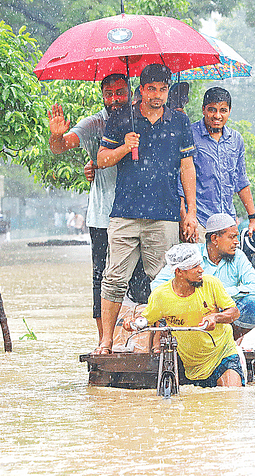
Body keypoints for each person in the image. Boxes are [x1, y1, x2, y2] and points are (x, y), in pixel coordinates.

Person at [94, 63, 198, 355]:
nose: (157, 95)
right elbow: (102, 160)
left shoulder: (179, 121)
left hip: (163, 215)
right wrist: (124, 148)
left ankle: (158, 344)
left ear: (168, 91)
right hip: (124, 213)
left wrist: (190, 211)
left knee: (163, 280)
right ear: (140, 90)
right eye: (151, 89)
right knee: (114, 278)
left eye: (163, 89)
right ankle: (106, 342)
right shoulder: (121, 117)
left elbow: (186, 167)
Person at [47, 73, 151, 344]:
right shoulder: (95, 123)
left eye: (120, 92)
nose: (114, 99)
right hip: (104, 216)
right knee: (102, 281)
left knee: (142, 283)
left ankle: (142, 342)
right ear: (102, 95)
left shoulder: (145, 118)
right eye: (108, 93)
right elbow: (62, 146)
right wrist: (56, 137)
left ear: (132, 91)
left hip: (140, 214)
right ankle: (105, 341)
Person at [132, 243, 245, 387]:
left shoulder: (211, 284)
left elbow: (234, 312)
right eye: (195, 267)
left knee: (231, 396)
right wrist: (133, 323)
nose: (201, 270)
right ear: (179, 271)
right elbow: (146, 318)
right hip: (190, 363)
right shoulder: (161, 295)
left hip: (222, 355)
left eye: (200, 264)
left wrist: (215, 317)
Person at [151, 212, 255, 341]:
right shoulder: (191, 253)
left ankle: (226, 341)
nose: (237, 242)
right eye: (232, 237)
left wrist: (219, 295)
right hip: (189, 313)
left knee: (253, 304)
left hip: (222, 316)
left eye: (236, 237)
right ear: (215, 239)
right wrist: (188, 297)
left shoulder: (238, 256)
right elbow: (156, 286)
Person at [185, 86, 255, 241]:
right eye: (212, 110)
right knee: (200, 265)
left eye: (223, 110)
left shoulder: (236, 139)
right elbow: (181, 180)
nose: (217, 116)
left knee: (228, 265)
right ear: (203, 110)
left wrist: (253, 219)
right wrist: (185, 217)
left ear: (229, 111)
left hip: (227, 222)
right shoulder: (190, 135)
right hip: (199, 220)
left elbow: (241, 181)